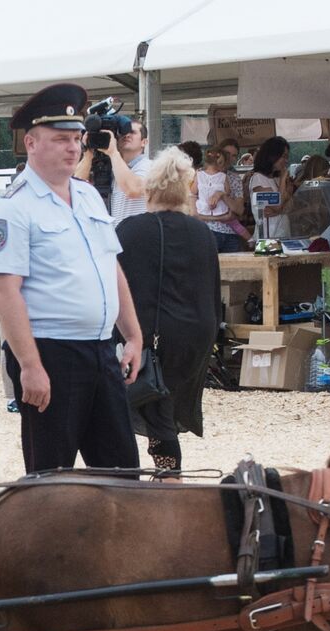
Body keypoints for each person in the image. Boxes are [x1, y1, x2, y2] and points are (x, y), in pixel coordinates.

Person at [0, 83, 144, 474]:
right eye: (60, 139)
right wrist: (30, 365)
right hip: (51, 352)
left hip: (100, 349)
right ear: (31, 143)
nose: (73, 148)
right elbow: (5, 293)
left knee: (123, 473)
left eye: (76, 138)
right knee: (51, 480)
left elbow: (112, 267)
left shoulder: (87, 195)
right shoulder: (13, 208)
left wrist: (134, 335)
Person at [116, 148, 220, 478]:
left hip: (149, 336)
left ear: (150, 189)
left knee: (154, 411)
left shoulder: (130, 230)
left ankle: (167, 480)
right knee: (165, 405)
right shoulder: (202, 233)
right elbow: (212, 288)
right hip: (194, 337)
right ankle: (167, 475)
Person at [76, 116, 151, 225]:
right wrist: (88, 153)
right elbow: (76, 185)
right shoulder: (114, 166)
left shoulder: (149, 166)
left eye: (133, 132)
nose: (127, 135)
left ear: (144, 142)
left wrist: (113, 152)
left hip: (138, 236)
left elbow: (133, 190)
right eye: (123, 132)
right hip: (118, 236)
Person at [195, 148, 246, 252]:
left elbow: (239, 210)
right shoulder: (199, 175)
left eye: (234, 155)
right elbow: (193, 211)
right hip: (207, 230)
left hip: (230, 232)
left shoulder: (233, 178)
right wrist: (221, 217)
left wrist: (222, 195)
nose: (230, 158)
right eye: (227, 154)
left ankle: (250, 239)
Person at [248, 136, 294, 239]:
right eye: (283, 156)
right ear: (272, 156)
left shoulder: (276, 178)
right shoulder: (258, 179)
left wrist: (278, 211)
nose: (286, 160)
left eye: (287, 157)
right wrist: (283, 180)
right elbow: (277, 204)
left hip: (283, 233)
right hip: (267, 237)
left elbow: (290, 206)